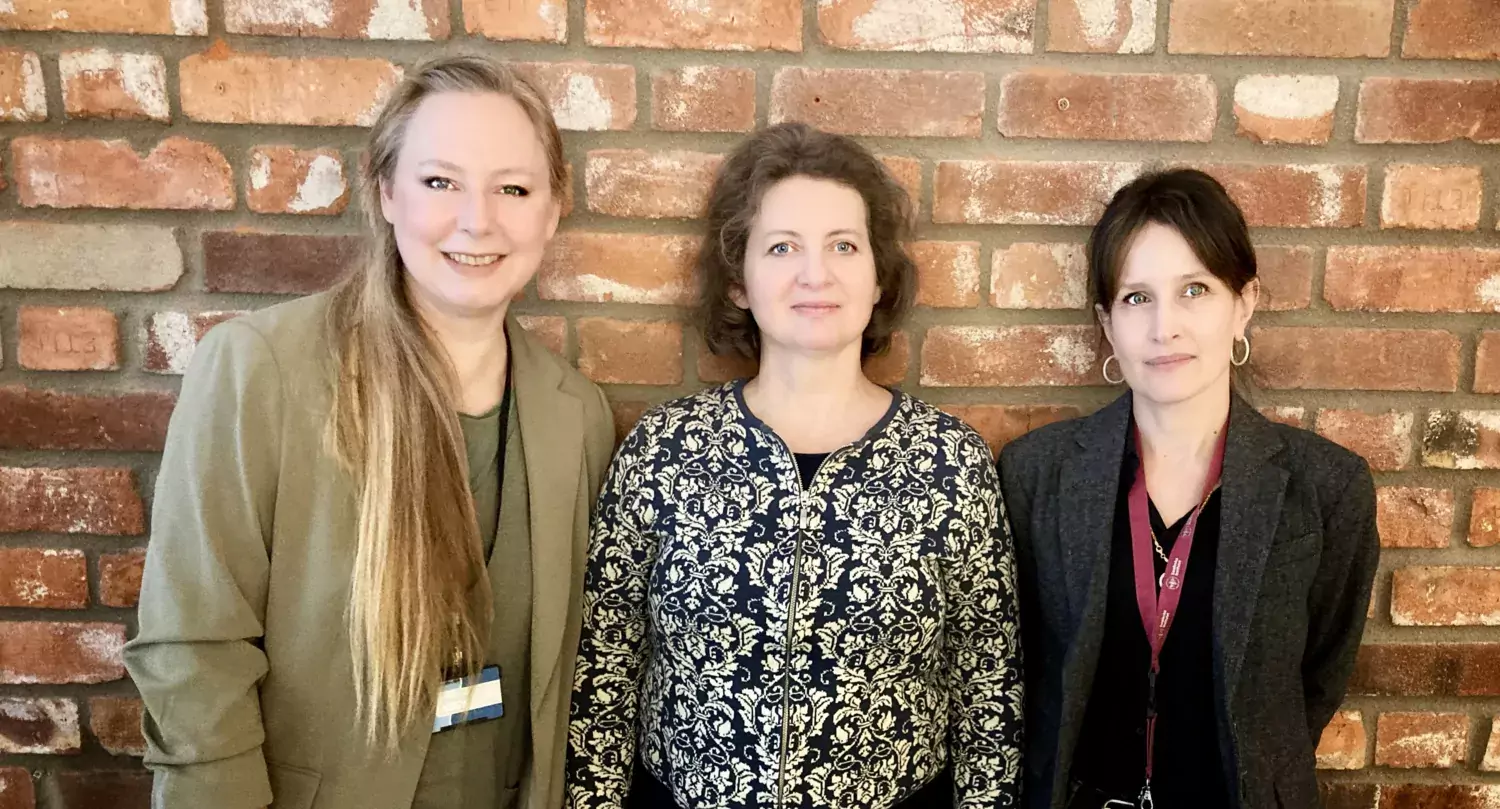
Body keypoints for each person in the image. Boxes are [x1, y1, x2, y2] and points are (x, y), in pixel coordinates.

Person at [123, 55, 617, 809]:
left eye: (512, 188)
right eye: (440, 182)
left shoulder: (576, 413)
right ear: (385, 190)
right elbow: (194, 648)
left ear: (553, 210)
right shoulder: (261, 370)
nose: (477, 220)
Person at [565, 122, 1023, 809]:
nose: (817, 273)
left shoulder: (950, 463)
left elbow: (990, 687)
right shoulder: (665, 450)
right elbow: (602, 672)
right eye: (782, 248)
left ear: (877, 279)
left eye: (844, 245)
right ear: (740, 282)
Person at [998, 169, 1380, 809]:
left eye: (1194, 290)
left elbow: (1315, 679)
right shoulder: (1038, 474)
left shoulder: (1326, 487)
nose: (1163, 327)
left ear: (1244, 303)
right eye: (1136, 298)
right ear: (1107, 322)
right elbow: (1023, 672)